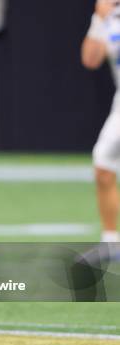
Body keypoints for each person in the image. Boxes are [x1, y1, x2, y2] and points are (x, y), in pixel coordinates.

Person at [83, 0, 120, 244]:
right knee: (103, 164)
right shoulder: (110, 16)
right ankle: (110, 242)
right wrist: (99, 19)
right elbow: (90, 59)